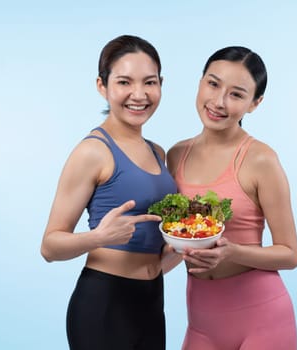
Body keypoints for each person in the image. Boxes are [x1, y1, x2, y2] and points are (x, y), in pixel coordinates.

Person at [40, 35, 180, 350]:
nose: (139, 94)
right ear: (102, 86)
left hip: (151, 303)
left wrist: (182, 249)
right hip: (104, 305)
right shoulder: (93, 151)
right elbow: (50, 246)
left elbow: (153, 258)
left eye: (150, 82)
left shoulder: (158, 153)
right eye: (124, 82)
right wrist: (98, 237)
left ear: (161, 84)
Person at [167, 46, 297, 350]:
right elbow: (175, 240)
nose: (218, 102)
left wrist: (232, 252)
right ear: (200, 82)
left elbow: (290, 254)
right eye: (213, 84)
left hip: (263, 319)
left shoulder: (260, 159)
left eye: (237, 94)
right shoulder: (176, 156)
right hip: (201, 323)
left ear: (255, 104)